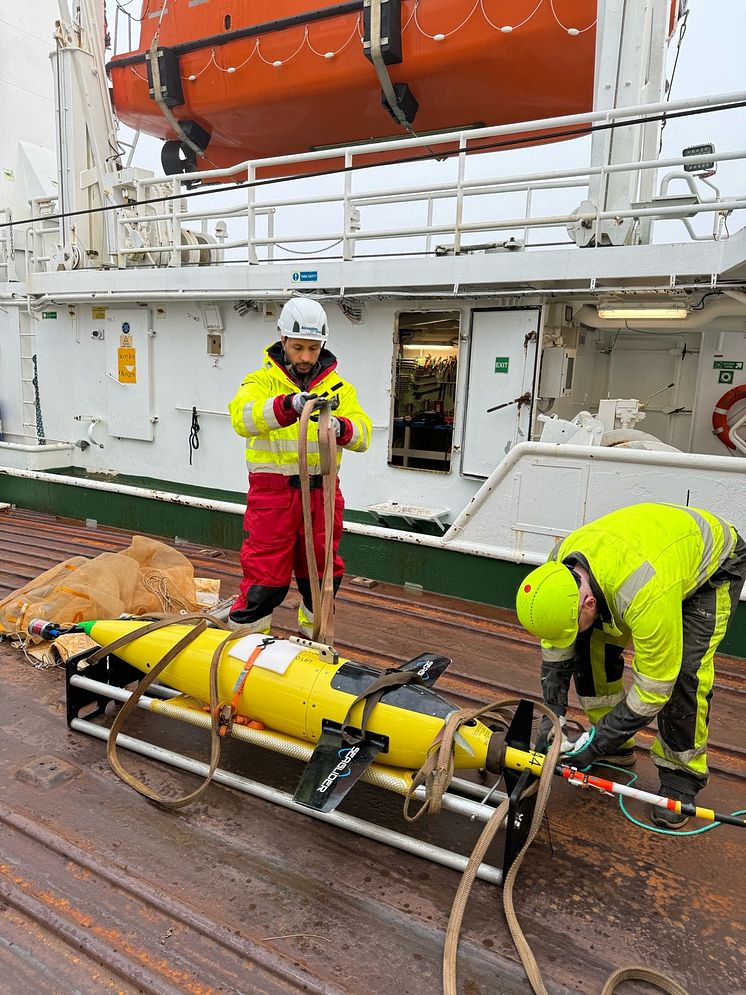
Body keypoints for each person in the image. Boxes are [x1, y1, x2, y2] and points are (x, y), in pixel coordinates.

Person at [515, 502, 746, 829]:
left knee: (682, 675)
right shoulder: (556, 572)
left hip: (714, 566)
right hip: (650, 557)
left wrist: (593, 744)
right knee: (588, 651)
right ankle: (614, 747)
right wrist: (554, 713)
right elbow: (557, 646)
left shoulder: (642, 592)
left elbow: (654, 689)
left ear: (590, 603)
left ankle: (681, 776)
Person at [228, 298, 371, 636]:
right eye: (298, 348)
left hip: (322, 497)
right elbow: (242, 418)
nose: (306, 357)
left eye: (313, 348)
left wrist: (341, 427)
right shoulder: (259, 383)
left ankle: (317, 644)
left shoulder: (340, 389)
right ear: (283, 341)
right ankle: (244, 647)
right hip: (272, 498)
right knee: (264, 582)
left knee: (322, 581)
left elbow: (363, 435)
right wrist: (288, 406)